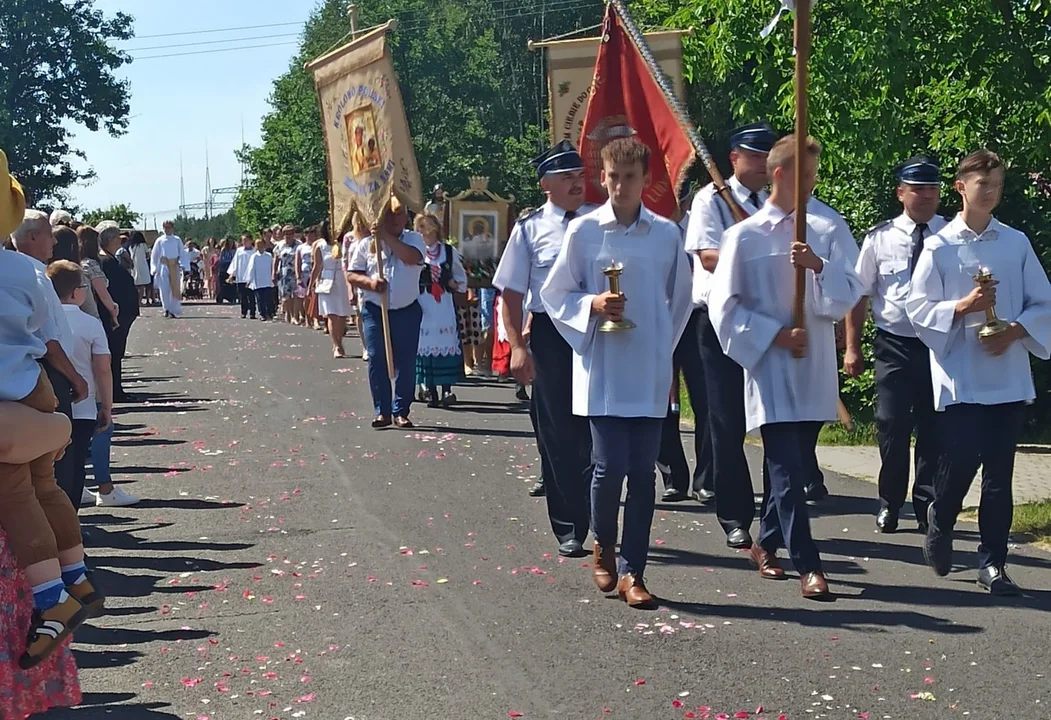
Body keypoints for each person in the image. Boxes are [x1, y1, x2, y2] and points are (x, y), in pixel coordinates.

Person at [707, 134, 863, 600]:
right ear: (780, 174)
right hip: (771, 366)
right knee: (786, 469)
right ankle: (809, 566)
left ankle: (768, 542)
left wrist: (818, 266)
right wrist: (774, 335)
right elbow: (724, 309)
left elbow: (850, 289)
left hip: (813, 364)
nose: (813, 185)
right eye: (806, 177)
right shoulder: (743, 237)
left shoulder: (825, 227)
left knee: (794, 464)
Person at [541, 137, 693, 608]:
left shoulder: (666, 235)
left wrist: (661, 352)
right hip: (604, 365)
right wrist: (592, 303)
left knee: (644, 473)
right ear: (601, 178)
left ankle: (634, 570)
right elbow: (555, 293)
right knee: (608, 469)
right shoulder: (584, 232)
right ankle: (604, 544)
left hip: (646, 367)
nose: (621, 185)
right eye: (613, 176)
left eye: (631, 177)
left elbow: (682, 301)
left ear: (646, 181)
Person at [907, 149, 1051, 595]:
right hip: (962, 372)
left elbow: (1043, 300)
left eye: (997, 185)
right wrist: (961, 307)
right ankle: (942, 514)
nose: (990, 192)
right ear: (961, 187)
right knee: (963, 460)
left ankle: (993, 564)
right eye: (982, 184)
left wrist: (1015, 331)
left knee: (999, 474)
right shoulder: (939, 246)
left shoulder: (1015, 242)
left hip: (1006, 371)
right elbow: (917, 307)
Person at [493, 139, 597, 553]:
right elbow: (513, 295)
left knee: (596, 431)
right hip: (552, 337)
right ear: (545, 185)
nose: (577, 184)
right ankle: (569, 525)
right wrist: (518, 346)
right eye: (566, 177)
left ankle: (595, 513)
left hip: (596, 332)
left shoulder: (599, 221)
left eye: (579, 176)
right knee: (557, 433)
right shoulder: (530, 229)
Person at [0, 247, 101, 669]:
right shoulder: (26, 269)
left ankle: (54, 599)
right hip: (32, 383)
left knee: (17, 493)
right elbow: (50, 331)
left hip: (11, 396)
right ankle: (76, 579)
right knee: (45, 485)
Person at [684, 121, 778, 548]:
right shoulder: (710, 201)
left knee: (777, 420)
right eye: (755, 156)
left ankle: (778, 518)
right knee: (726, 421)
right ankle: (735, 515)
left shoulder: (780, 203)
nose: (763, 164)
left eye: (768, 155)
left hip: (770, 319)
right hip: (719, 320)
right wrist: (758, 258)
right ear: (734, 159)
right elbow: (706, 257)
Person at [845, 156, 946, 533]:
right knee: (891, 424)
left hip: (938, 345)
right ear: (901, 193)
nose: (925, 196)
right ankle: (890, 501)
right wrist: (852, 347)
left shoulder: (952, 235)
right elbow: (859, 296)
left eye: (932, 189)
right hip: (894, 345)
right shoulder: (880, 238)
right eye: (917, 189)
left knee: (934, 426)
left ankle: (927, 503)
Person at [11, 210, 90, 507]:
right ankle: (63, 533)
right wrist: (76, 378)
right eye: (48, 234)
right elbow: (49, 341)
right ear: (32, 237)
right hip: (47, 374)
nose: (54, 241)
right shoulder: (34, 277)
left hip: (36, 371)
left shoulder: (26, 273)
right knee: (58, 460)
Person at [50, 261, 137, 509]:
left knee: (51, 469)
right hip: (84, 407)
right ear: (77, 292)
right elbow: (102, 369)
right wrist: (106, 406)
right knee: (76, 468)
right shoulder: (90, 324)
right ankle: (72, 523)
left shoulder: (44, 322)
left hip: (51, 405)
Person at [657, 183, 714, 503]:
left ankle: (706, 478)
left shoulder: (699, 225)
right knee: (662, 404)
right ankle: (673, 476)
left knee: (707, 402)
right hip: (661, 320)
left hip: (696, 319)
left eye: (679, 193)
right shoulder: (651, 229)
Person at [347, 204, 426, 428]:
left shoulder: (415, 239)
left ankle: (401, 410)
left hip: (407, 309)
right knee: (376, 356)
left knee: (406, 361)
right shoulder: (365, 245)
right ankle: (382, 411)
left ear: (406, 217)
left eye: (399, 213)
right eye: (389, 214)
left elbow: (412, 258)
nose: (394, 218)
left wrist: (384, 236)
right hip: (374, 309)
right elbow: (352, 274)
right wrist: (370, 283)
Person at [414, 213, 467, 407]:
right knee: (424, 342)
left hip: (443, 303)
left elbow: (461, 277)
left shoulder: (448, 252)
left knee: (445, 340)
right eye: (419, 228)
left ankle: (446, 389)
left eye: (424, 227)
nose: (421, 232)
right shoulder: (416, 251)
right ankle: (429, 390)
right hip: (423, 302)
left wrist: (454, 284)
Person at [97, 221, 140, 403]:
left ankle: (117, 389)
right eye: (117, 238)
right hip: (115, 315)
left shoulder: (109, 259)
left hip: (121, 314)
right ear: (111, 239)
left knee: (117, 353)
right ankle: (115, 391)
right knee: (114, 352)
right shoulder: (105, 261)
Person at [311, 221, 352, 357]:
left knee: (341, 316)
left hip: (343, 280)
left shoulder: (345, 242)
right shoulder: (320, 246)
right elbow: (317, 267)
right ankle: (337, 345)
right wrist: (310, 285)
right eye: (328, 227)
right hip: (327, 282)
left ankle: (340, 340)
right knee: (332, 315)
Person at [76, 225, 120, 326]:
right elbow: (103, 295)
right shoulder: (91, 264)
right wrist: (114, 313)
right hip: (94, 311)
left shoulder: (77, 262)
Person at [150, 220, 189, 318]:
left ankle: (173, 309)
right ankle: (166, 308)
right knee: (164, 288)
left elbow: (182, 252)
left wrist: (184, 265)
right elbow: (155, 254)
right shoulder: (160, 240)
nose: (167, 229)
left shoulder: (177, 240)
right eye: (165, 228)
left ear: (172, 228)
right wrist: (154, 267)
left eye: (169, 227)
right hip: (164, 266)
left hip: (174, 266)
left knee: (174, 288)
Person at [273, 225, 300, 323]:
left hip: (296, 272)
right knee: (286, 296)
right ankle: (288, 313)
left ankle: (295, 315)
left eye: (290, 233)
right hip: (284, 273)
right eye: (285, 234)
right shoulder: (280, 245)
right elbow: (276, 259)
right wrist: (273, 273)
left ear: (293, 234)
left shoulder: (299, 245)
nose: (287, 236)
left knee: (296, 295)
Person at [228, 233, 257, 319]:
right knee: (243, 296)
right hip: (241, 276)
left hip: (251, 277)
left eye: (246, 240)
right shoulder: (239, 250)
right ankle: (243, 312)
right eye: (243, 240)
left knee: (251, 296)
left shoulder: (254, 251)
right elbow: (235, 262)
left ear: (251, 240)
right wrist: (231, 274)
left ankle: (252, 312)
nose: (244, 242)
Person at [246, 238, 276, 321]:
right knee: (260, 300)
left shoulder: (269, 256)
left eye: (261, 244)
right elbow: (251, 269)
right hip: (258, 281)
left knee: (268, 299)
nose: (259, 246)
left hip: (267, 280)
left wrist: (274, 277)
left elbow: (272, 267)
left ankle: (269, 313)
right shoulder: (254, 256)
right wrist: (249, 280)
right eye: (257, 245)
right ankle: (262, 314)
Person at [295, 227, 317, 327]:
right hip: (305, 274)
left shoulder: (318, 245)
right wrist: (298, 276)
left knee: (316, 297)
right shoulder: (300, 247)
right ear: (305, 236)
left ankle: (316, 319)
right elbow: (297, 263)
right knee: (306, 298)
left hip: (316, 273)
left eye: (312, 234)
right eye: (308, 234)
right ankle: (308, 318)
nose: (310, 236)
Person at [129, 231, 152, 305]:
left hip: (135, 266)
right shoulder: (143, 245)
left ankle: (136, 301)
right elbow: (147, 255)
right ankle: (140, 301)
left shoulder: (131, 246)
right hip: (143, 266)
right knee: (142, 285)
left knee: (137, 285)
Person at [216, 237, 237, 305]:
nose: (230, 244)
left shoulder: (235, 250)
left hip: (231, 269)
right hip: (224, 269)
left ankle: (232, 297)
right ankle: (222, 296)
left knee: (232, 284)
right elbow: (221, 259)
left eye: (232, 242)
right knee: (222, 284)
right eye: (229, 242)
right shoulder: (224, 250)